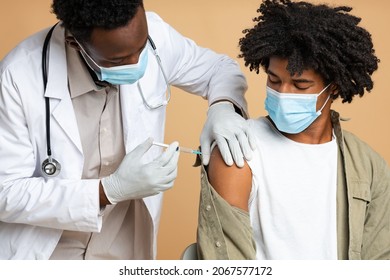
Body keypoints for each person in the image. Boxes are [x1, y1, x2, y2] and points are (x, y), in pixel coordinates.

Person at [0, 0, 256, 260]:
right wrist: (109, 191)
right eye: (118, 59)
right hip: (45, 251)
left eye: (142, 47)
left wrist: (222, 108)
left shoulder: (155, 35)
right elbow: (5, 192)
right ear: (74, 43)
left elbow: (219, 70)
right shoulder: (18, 76)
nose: (136, 63)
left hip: (124, 251)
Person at [197, 0, 390, 260]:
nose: (283, 93)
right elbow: (228, 263)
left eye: (300, 85)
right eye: (273, 80)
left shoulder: (367, 166)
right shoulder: (238, 149)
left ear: (332, 87)